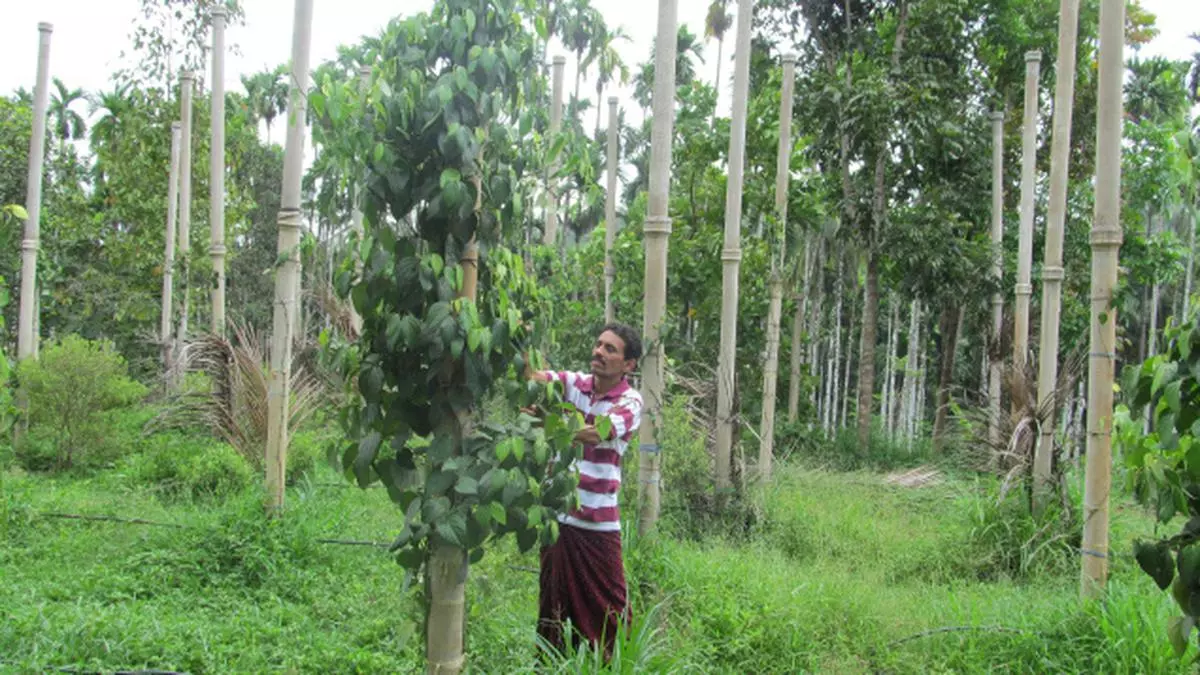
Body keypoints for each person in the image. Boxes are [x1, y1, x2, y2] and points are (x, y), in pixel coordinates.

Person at [528, 322, 644, 658]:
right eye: (598, 344)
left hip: (597, 525)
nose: (599, 351)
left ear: (628, 365)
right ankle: (550, 664)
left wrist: (546, 422)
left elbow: (598, 432)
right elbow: (534, 379)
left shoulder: (630, 401)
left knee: (611, 613)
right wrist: (520, 338)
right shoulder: (573, 384)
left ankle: (614, 666)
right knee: (551, 606)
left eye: (611, 349)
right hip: (557, 519)